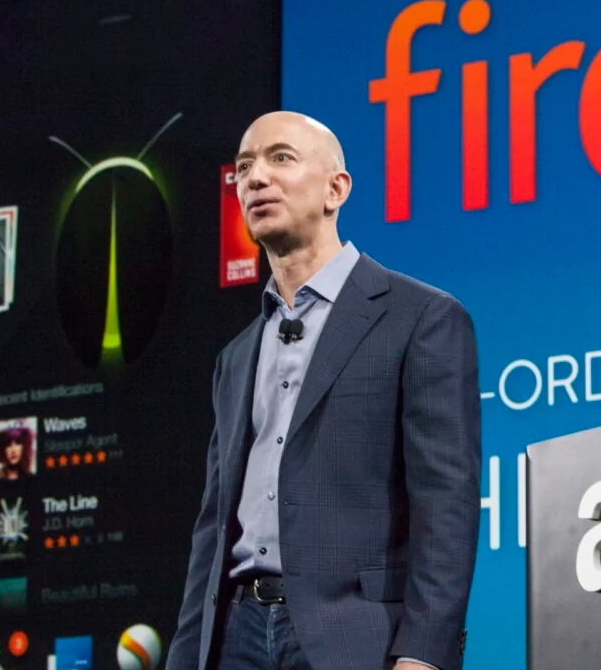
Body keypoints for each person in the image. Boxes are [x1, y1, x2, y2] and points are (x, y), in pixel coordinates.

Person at [166, 111, 481, 670]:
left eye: (280, 158)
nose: (256, 177)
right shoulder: (235, 357)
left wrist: (424, 653)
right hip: (235, 634)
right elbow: (212, 530)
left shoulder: (421, 318)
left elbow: (446, 501)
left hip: (354, 638)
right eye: (244, 167)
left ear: (337, 189)